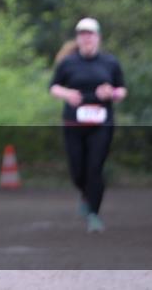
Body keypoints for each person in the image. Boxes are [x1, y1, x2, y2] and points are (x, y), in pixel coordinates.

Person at [48, 17, 127, 233]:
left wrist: (111, 93)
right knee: (77, 171)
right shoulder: (68, 63)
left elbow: (122, 90)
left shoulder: (110, 62)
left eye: (90, 34)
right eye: (82, 34)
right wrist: (68, 94)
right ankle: (85, 194)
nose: (86, 38)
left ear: (98, 38)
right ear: (78, 39)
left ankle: (94, 214)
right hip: (74, 123)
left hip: (102, 124)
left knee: (95, 168)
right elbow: (53, 87)